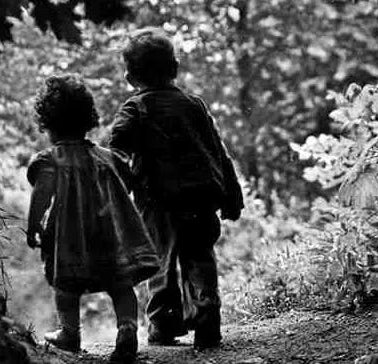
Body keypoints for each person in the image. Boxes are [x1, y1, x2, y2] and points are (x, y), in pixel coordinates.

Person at [108, 28, 244, 349]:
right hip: (201, 195)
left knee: (160, 262)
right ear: (175, 68)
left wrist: (119, 184)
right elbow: (218, 150)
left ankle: (163, 325)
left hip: (159, 201)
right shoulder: (194, 104)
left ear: (130, 78)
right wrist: (231, 194)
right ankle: (207, 312)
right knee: (199, 255)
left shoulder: (135, 108)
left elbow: (117, 147)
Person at [26, 74, 159, 364]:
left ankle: (70, 333)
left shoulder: (50, 160)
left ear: (47, 124)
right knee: (121, 284)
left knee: (65, 286)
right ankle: (127, 330)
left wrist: (34, 225)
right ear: (88, 118)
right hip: (111, 233)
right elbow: (129, 179)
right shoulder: (108, 157)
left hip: (70, 237)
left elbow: (41, 196)